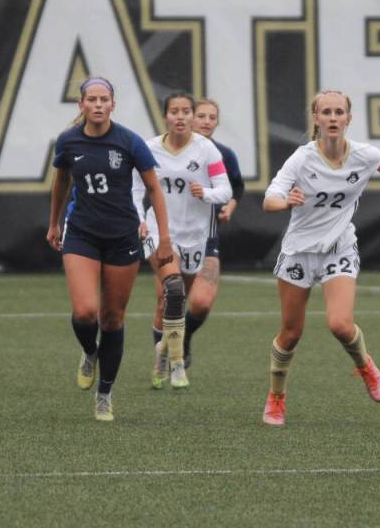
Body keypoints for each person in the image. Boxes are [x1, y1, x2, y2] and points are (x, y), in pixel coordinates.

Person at [261, 89, 380, 427]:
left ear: (348, 119)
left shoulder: (364, 155)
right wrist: (287, 201)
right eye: (326, 112)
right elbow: (269, 200)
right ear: (315, 119)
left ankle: (365, 365)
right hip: (299, 252)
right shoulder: (302, 159)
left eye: (338, 112)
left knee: (340, 324)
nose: (332, 118)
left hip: (340, 248)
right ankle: (276, 396)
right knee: (290, 333)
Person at [46, 76, 175, 422]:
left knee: (112, 318)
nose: (99, 105)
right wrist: (54, 223)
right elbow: (60, 182)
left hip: (122, 237)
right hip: (82, 234)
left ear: (113, 105)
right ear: (82, 105)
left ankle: (105, 394)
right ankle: (90, 352)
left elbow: (154, 189)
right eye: (92, 99)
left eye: (105, 99)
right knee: (86, 312)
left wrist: (164, 237)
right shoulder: (68, 142)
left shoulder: (130, 142)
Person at [132, 92, 232, 389]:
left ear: (192, 115)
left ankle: (168, 346)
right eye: (174, 111)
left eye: (186, 111)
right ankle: (172, 363)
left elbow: (225, 189)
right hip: (160, 232)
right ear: (166, 116)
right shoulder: (148, 149)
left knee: (182, 301)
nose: (180, 116)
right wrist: (138, 217)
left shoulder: (207, 150)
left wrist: (208, 193)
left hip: (196, 235)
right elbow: (135, 189)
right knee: (171, 292)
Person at [173, 98, 245, 371]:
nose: (205, 121)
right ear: (190, 118)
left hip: (206, 235)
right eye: (200, 115)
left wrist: (229, 206)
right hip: (172, 233)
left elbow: (236, 187)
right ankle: (164, 354)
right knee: (169, 299)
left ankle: (185, 338)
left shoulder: (223, 154)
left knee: (201, 303)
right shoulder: (170, 149)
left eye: (211, 117)